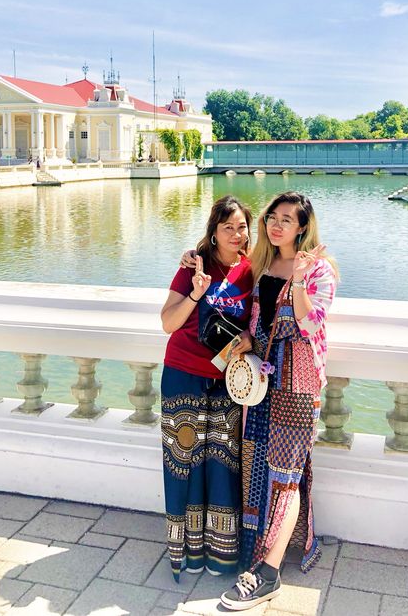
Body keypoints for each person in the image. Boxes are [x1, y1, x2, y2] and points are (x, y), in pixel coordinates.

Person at [220, 191, 337, 610]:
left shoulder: (319, 269)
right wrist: (248, 339)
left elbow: (310, 325)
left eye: (287, 219)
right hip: (261, 382)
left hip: (298, 383)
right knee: (257, 465)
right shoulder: (262, 263)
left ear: (302, 226)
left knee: (285, 473)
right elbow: (255, 319)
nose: (277, 224)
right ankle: (258, 549)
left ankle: (268, 573)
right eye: (273, 216)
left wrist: (302, 280)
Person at [160, 195, 254, 581]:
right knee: (183, 463)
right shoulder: (194, 267)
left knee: (222, 464)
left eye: (241, 226)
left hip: (226, 380)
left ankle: (221, 555)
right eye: (227, 227)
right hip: (183, 374)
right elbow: (167, 322)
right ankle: (185, 553)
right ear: (213, 232)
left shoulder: (253, 270)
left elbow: (257, 322)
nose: (235, 233)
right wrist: (197, 292)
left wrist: (248, 337)